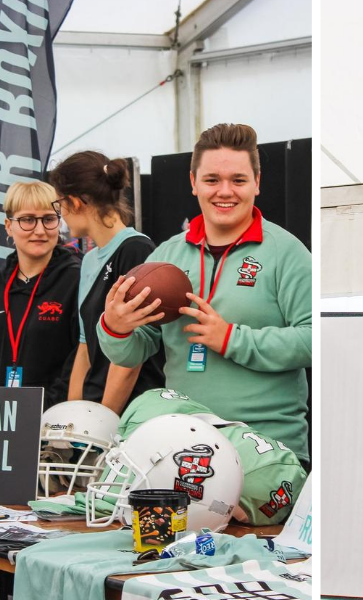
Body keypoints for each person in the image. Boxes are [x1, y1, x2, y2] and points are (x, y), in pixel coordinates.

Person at [100, 123, 313, 462]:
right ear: (193, 182)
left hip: (263, 447)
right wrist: (116, 326)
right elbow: (133, 351)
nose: (224, 191)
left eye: (238, 180)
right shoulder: (166, 256)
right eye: (212, 179)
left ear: (257, 184)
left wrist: (231, 339)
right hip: (181, 443)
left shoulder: (287, 253)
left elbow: (315, 340)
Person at [51, 151, 163, 413]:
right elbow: (84, 347)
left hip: (130, 417)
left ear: (76, 202)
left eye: (59, 205)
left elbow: (130, 360)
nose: (61, 216)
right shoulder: (89, 260)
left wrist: (103, 423)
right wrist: (71, 421)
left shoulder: (137, 250)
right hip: (94, 411)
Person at [0, 181, 79, 404]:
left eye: (49, 219)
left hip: (52, 422)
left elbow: (79, 361)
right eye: (28, 220)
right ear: (8, 226)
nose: (39, 230)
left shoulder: (76, 281)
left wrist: (40, 411)